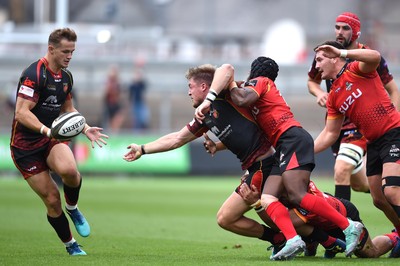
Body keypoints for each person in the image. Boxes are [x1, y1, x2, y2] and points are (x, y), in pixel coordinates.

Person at [124, 64, 320, 260]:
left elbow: (226, 68)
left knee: (230, 216)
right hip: (257, 166)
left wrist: (209, 99)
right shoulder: (203, 117)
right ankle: (311, 238)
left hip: (267, 163)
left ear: (203, 87)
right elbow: (176, 139)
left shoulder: (227, 95)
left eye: (190, 86)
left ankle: (293, 238)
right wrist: (142, 149)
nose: (188, 92)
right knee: (275, 211)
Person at [194, 59, 364, 258]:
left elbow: (236, 91)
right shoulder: (257, 93)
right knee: (266, 199)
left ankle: (348, 226)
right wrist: (218, 145)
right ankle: (293, 240)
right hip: (285, 144)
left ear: (254, 71)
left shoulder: (260, 82)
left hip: (291, 139)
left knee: (297, 195)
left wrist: (230, 83)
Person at [9, 28, 109, 256]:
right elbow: (21, 113)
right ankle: (70, 244)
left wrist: (84, 127)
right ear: (51, 49)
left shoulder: (66, 77)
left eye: (73, 51)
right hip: (25, 147)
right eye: (66, 51)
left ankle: (73, 209)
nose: (70, 56)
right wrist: (46, 130)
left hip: (51, 139)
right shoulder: (33, 74)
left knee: (71, 172)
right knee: (52, 199)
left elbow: (68, 109)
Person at [313, 41, 400, 243]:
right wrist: (304, 150)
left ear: (334, 58)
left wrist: (342, 51)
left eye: (319, 60)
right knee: (378, 199)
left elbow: (376, 57)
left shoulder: (355, 68)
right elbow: (330, 133)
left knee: (392, 192)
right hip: (373, 143)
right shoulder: (334, 96)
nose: (316, 66)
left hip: (393, 133)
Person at [307, 12, 399, 201]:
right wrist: (320, 93)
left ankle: (348, 225)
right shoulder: (325, 55)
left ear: (355, 32)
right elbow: (311, 82)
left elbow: (392, 89)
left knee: (341, 170)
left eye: (345, 28)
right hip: (339, 124)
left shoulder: (362, 59)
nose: (340, 32)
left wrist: (391, 120)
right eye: (337, 27)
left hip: (363, 129)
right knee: (361, 186)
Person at [240, 179, 400, 258]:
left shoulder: (301, 198)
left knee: (369, 253)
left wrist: (257, 204)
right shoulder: (290, 182)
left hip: (344, 215)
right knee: (306, 245)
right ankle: (320, 242)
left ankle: (395, 237)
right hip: (317, 219)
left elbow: (279, 224)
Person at [103, 64, 125, 133]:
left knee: (118, 119)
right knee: (111, 122)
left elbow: (120, 94)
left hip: (116, 104)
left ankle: (114, 132)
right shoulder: (108, 82)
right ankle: (113, 133)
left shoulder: (118, 82)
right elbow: (106, 93)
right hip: (110, 104)